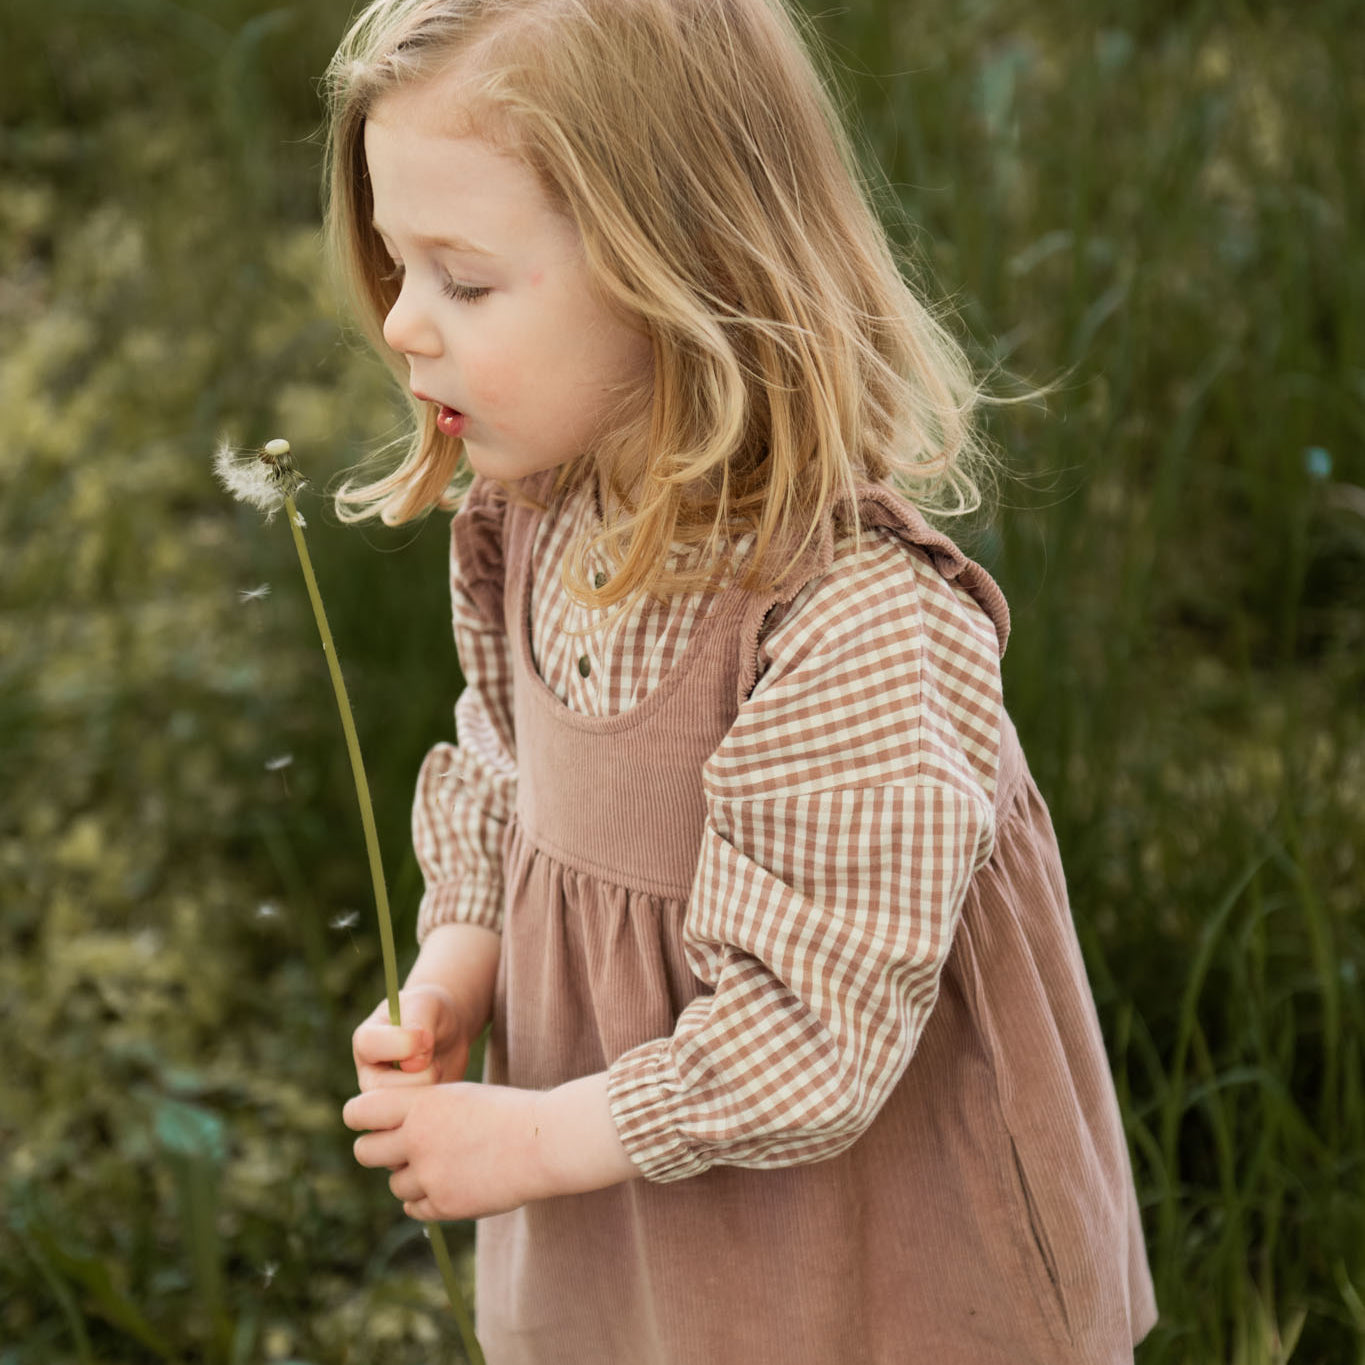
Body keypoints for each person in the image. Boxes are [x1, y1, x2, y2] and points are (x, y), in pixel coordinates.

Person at [329, 1, 1159, 1360]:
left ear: (682, 270)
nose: (405, 326)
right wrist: (456, 964)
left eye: (463, 280)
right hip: (630, 1217)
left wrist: (533, 1135)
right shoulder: (541, 511)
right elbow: (508, 758)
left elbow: (813, 1037)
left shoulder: (850, 624)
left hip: (862, 1247)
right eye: (394, 264)